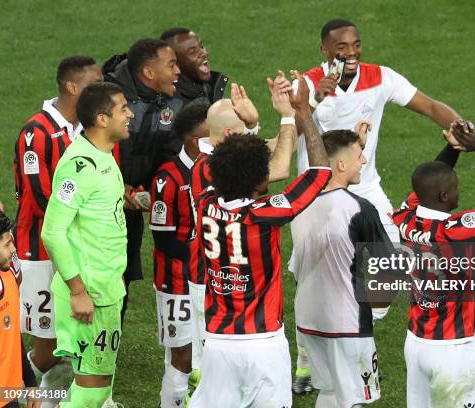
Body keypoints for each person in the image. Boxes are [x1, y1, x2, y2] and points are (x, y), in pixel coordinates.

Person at [292, 18, 462, 389]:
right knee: (311, 280)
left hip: (366, 187)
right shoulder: (304, 85)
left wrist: (462, 130)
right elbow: (291, 133)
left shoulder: (380, 77)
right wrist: (317, 98)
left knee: (394, 264)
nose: (350, 53)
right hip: (317, 193)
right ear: (324, 51)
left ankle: (355, 332)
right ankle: (306, 360)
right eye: (341, 47)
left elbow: (430, 106)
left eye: (355, 45)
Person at [188, 71, 331, 408]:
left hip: (219, 341)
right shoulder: (267, 214)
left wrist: (251, 130)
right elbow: (321, 171)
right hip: (263, 343)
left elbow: (232, 162)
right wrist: (302, 114)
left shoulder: (205, 202)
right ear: (257, 178)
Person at [390, 120, 475, 407]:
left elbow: (426, 183)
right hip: (452, 348)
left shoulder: (404, 218)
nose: (458, 192)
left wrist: (452, 148)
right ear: (444, 196)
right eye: (455, 188)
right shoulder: (456, 230)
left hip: (415, 343)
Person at [13, 56, 102, 405]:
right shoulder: (37, 132)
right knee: (47, 345)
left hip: (73, 248)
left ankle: (49, 400)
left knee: (70, 338)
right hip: (41, 251)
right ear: (73, 87)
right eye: (96, 83)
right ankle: (18, 393)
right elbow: (40, 198)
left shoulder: (85, 130)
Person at [41, 82, 133, 408]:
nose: (130, 114)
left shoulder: (103, 157)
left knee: (99, 386)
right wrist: (78, 291)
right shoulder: (81, 165)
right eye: (123, 108)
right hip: (88, 295)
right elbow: (52, 232)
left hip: (104, 289)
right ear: (101, 118)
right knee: (92, 391)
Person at [291, 129, 396, 407]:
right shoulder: (359, 208)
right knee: (354, 400)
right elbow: (391, 270)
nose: (363, 160)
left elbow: (295, 270)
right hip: (347, 322)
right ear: (340, 165)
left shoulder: (299, 206)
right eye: (358, 155)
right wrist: (371, 315)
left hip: (307, 318)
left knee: (329, 391)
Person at [105, 38, 182, 322]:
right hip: (99, 207)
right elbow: (92, 148)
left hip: (131, 207)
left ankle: (107, 347)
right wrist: (116, 186)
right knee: (99, 278)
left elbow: (168, 152)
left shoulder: (170, 99)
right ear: (149, 73)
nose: (178, 71)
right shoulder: (110, 99)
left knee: (121, 280)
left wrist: (151, 189)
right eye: (171, 65)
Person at [149, 102, 209, 408]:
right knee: (182, 356)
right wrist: (203, 258)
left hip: (208, 278)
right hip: (177, 282)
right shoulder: (168, 177)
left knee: (209, 350)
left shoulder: (215, 170)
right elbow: (164, 239)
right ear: (196, 139)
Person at [0, 209, 40, 408]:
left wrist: (30, 383)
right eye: (7, 244)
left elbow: (13, 336)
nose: (13, 249)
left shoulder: (9, 279)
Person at [160, 27, 228, 106]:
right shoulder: (173, 103)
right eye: (192, 52)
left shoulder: (212, 86)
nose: (204, 53)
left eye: (201, 46)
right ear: (175, 63)